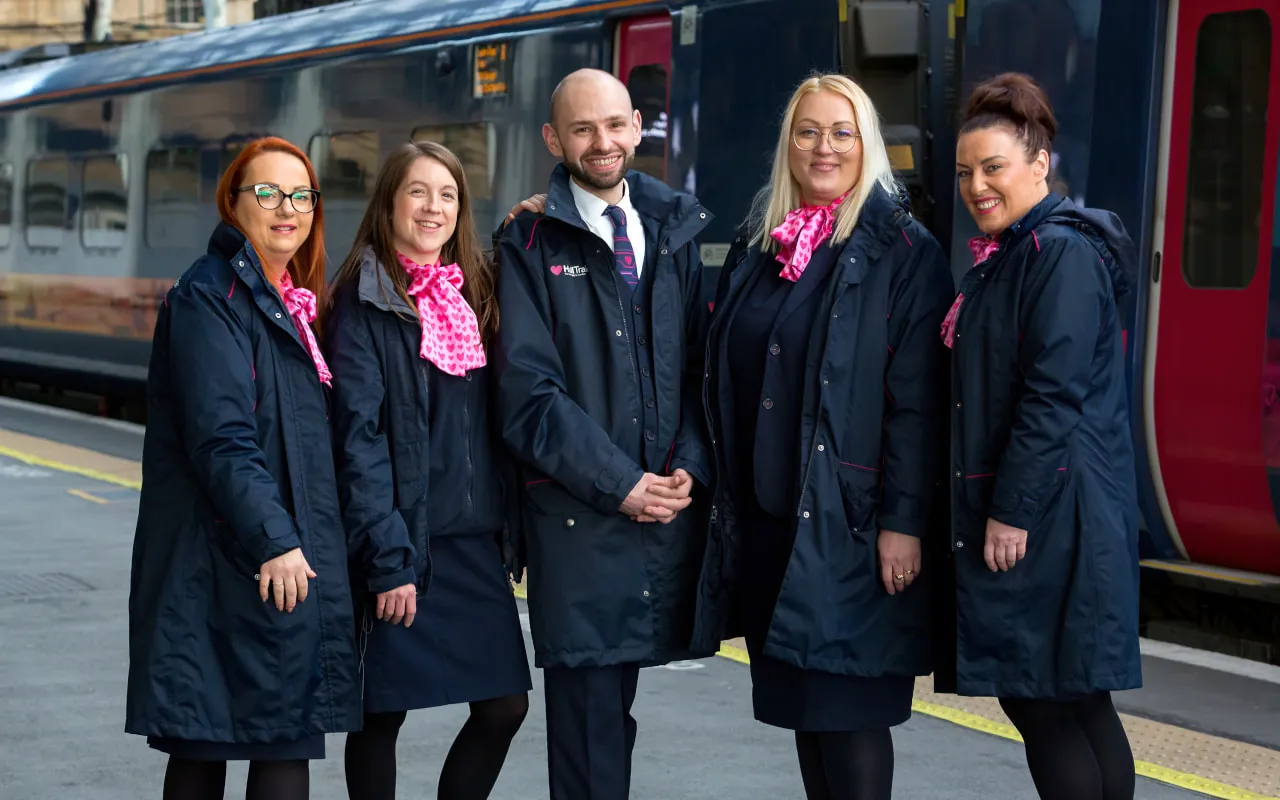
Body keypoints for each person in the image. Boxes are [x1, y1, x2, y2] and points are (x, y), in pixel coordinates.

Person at [689, 72, 953, 800]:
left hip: (856, 529)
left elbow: (917, 405)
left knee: (852, 717)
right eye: (808, 131)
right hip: (777, 529)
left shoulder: (904, 250)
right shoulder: (760, 244)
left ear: (867, 144)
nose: (824, 146)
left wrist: (902, 522)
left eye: (842, 132)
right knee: (810, 721)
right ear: (789, 144)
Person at [492, 67, 715, 799]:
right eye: (582, 129)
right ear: (554, 139)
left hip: (664, 511)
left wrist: (688, 464)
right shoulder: (528, 241)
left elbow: (697, 369)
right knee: (589, 729)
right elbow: (528, 394)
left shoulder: (676, 224)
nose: (603, 142)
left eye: (616, 124)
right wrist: (621, 484)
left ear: (638, 126)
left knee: (615, 719)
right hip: (578, 517)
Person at [125, 136, 360, 800]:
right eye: (267, 193)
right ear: (233, 203)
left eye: (301, 195)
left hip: (261, 557)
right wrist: (278, 539)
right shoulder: (212, 296)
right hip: (236, 560)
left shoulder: (284, 298)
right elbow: (221, 437)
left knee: (244, 737)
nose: (287, 208)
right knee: (247, 740)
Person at [941, 72, 1142, 800]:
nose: (977, 185)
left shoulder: (1057, 254)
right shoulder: (1018, 254)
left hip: (1057, 517)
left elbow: (1051, 393)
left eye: (993, 167)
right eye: (966, 172)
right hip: (1058, 510)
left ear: (1039, 164)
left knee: (1047, 697)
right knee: (1069, 698)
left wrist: (1012, 510)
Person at [323, 140, 531, 800]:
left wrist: (525, 226)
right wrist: (388, 560)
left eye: (447, 195)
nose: (433, 207)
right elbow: (359, 441)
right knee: (381, 715)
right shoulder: (363, 304)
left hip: (473, 544)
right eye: (418, 192)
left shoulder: (473, 292)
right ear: (388, 203)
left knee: (504, 707)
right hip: (403, 544)